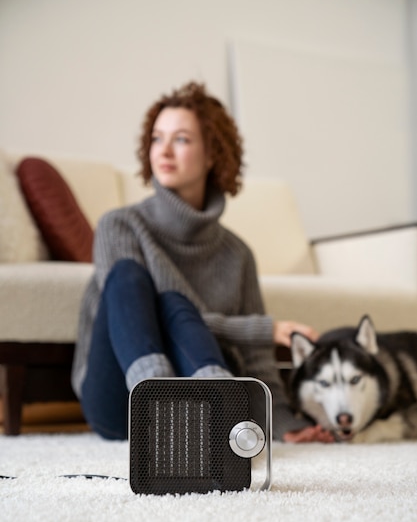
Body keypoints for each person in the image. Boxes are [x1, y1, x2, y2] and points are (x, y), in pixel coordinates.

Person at [71, 81, 334, 443]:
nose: (164, 150)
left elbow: (258, 363)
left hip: (198, 397)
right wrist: (262, 328)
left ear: (212, 154)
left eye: (181, 139)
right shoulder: (120, 226)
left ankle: (216, 413)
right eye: (156, 138)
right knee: (133, 280)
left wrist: (283, 425)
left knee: (176, 304)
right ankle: (158, 401)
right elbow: (151, 317)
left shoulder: (237, 253)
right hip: (120, 399)